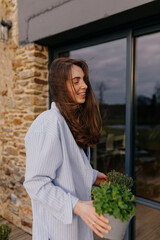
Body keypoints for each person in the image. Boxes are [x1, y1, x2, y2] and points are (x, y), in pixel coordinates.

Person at [24, 58, 111, 240]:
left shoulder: (68, 122)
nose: (85, 86)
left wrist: (92, 175)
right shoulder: (49, 122)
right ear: (60, 86)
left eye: (84, 80)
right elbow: (36, 183)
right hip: (57, 232)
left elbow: (66, 167)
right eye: (76, 81)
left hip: (77, 230)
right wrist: (79, 206)